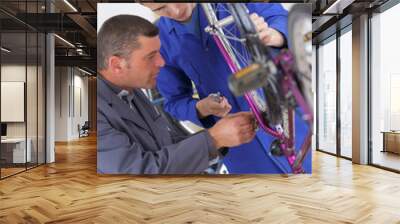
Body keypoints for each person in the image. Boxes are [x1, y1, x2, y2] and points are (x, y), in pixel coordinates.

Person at [142, 3, 311, 173]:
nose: (175, 11)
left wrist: (274, 35)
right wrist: (200, 108)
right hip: (242, 145)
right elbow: (173, 102)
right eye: (161, 8)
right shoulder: (159, 40)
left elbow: (280, 17)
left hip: (291, 118)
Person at [97, 14, 257, 174]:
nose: (162, 62)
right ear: (117, 65)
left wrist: (220, 136)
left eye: (159, 53)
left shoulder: (131, 91)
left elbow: (165, 144)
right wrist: (213, 139)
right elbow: (141, 173)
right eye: (151, 56)